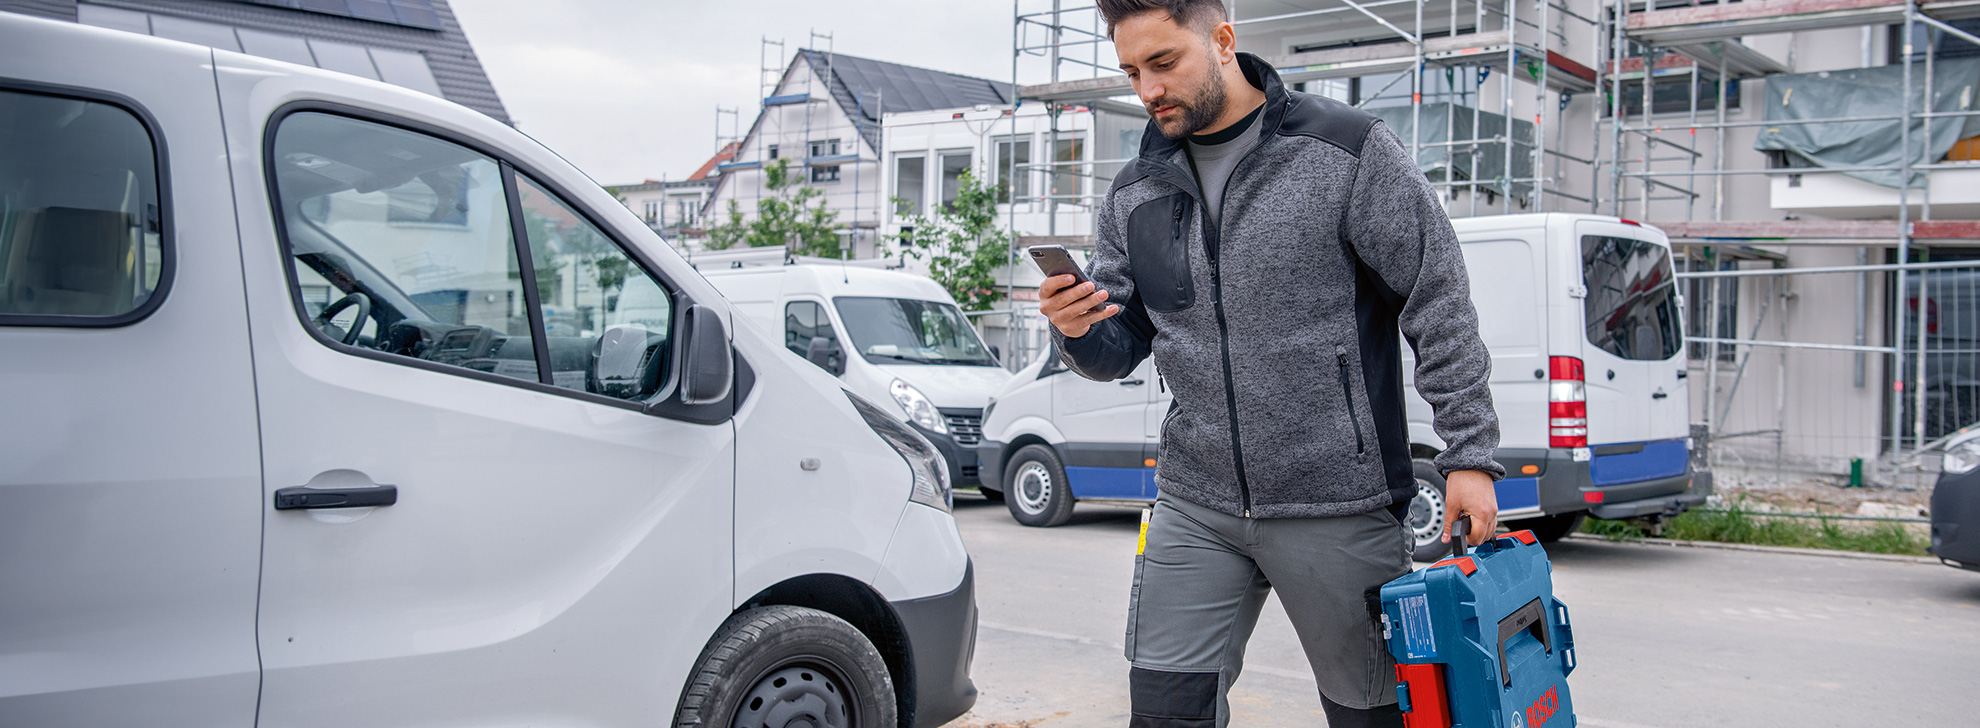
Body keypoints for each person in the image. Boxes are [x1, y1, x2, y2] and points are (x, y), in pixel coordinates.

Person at [1037, 2, 1505, 726]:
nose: (1147, 89)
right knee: (1163, 714)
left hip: (1337, 501)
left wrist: (1470, 453)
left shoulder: (1348, 151)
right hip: (1196, 501)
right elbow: (1121, 342)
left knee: (1374, 717)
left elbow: (1435, 298)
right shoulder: (1136, 190)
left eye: (1164, 63)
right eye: (1132, 71)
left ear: (1222, 41)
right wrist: (1075, 331)